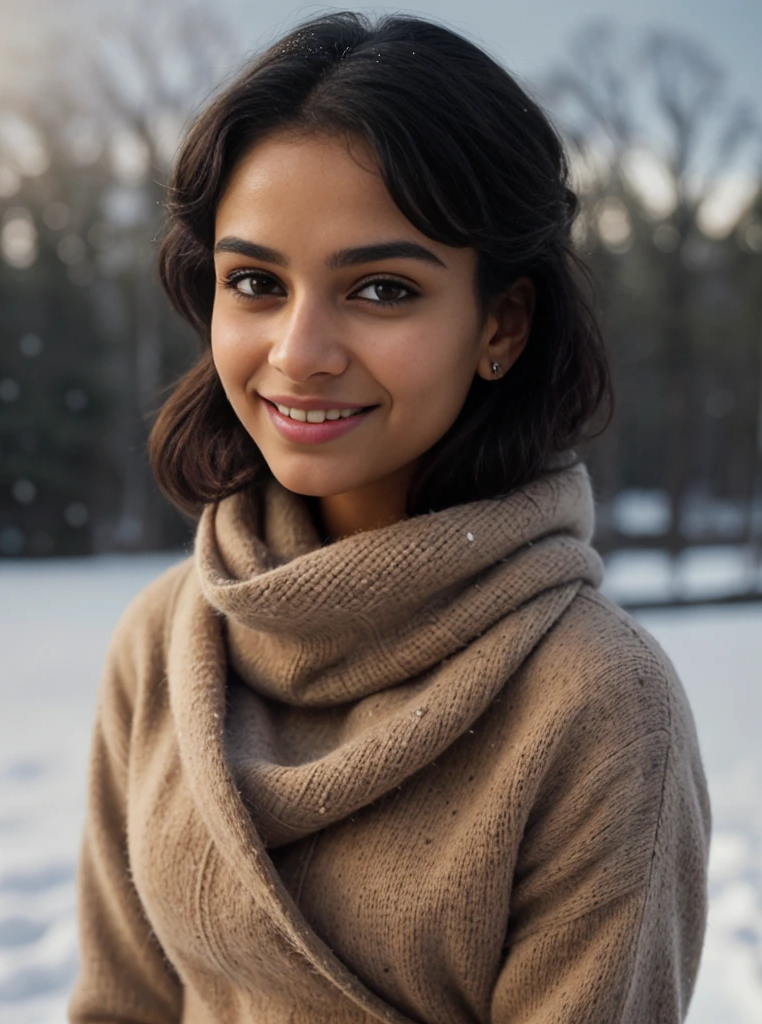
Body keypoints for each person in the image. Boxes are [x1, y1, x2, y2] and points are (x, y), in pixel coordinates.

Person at [68, 11, 710, 1024]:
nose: (298, 350)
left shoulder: (596, 703)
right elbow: (118, 1004)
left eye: (380, 288)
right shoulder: (166, 636)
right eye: (256, 284)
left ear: (500, 324)